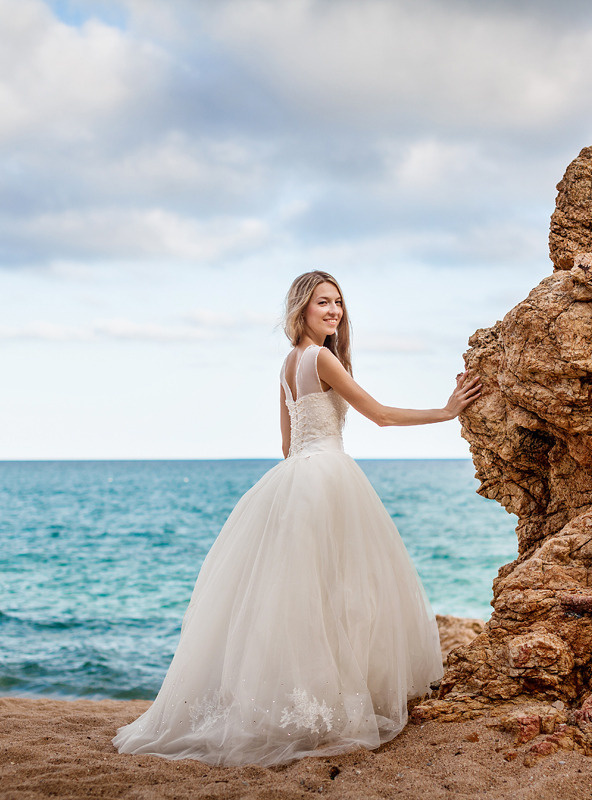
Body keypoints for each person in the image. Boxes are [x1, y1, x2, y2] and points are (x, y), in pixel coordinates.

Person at [112, 270, 482, 766]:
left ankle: (307, 705)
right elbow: (380, 415)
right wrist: (446, 411)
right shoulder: (321, 358)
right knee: (340, 595)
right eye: (322, 303)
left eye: (338, 303)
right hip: (327, 476)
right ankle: (331, 710)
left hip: (296, 482)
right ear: (301, 311)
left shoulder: (288, 364)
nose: (333, 311)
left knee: (300, 601)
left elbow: (286, 446)